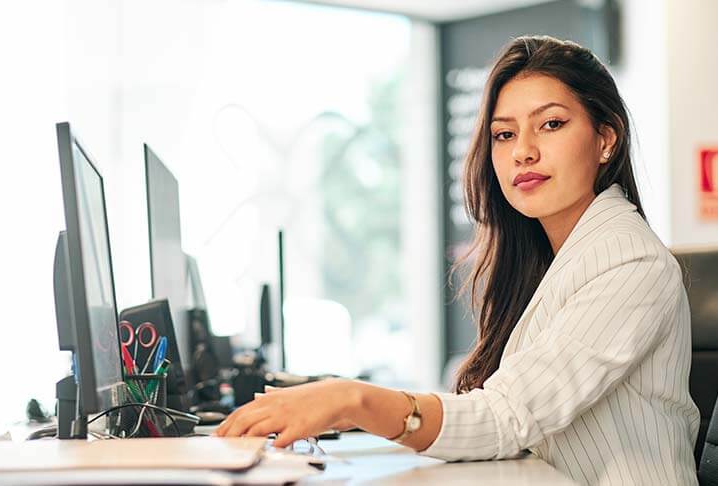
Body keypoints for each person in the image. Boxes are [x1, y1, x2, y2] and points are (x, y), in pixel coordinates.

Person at [215, 35, 699, 485]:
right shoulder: (556, 258)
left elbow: (507, 417)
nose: (523, 152)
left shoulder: (629, 263)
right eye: (504, 135)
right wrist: (345, 409)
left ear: (606, 139)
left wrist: (355, 398)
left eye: (551, 124)